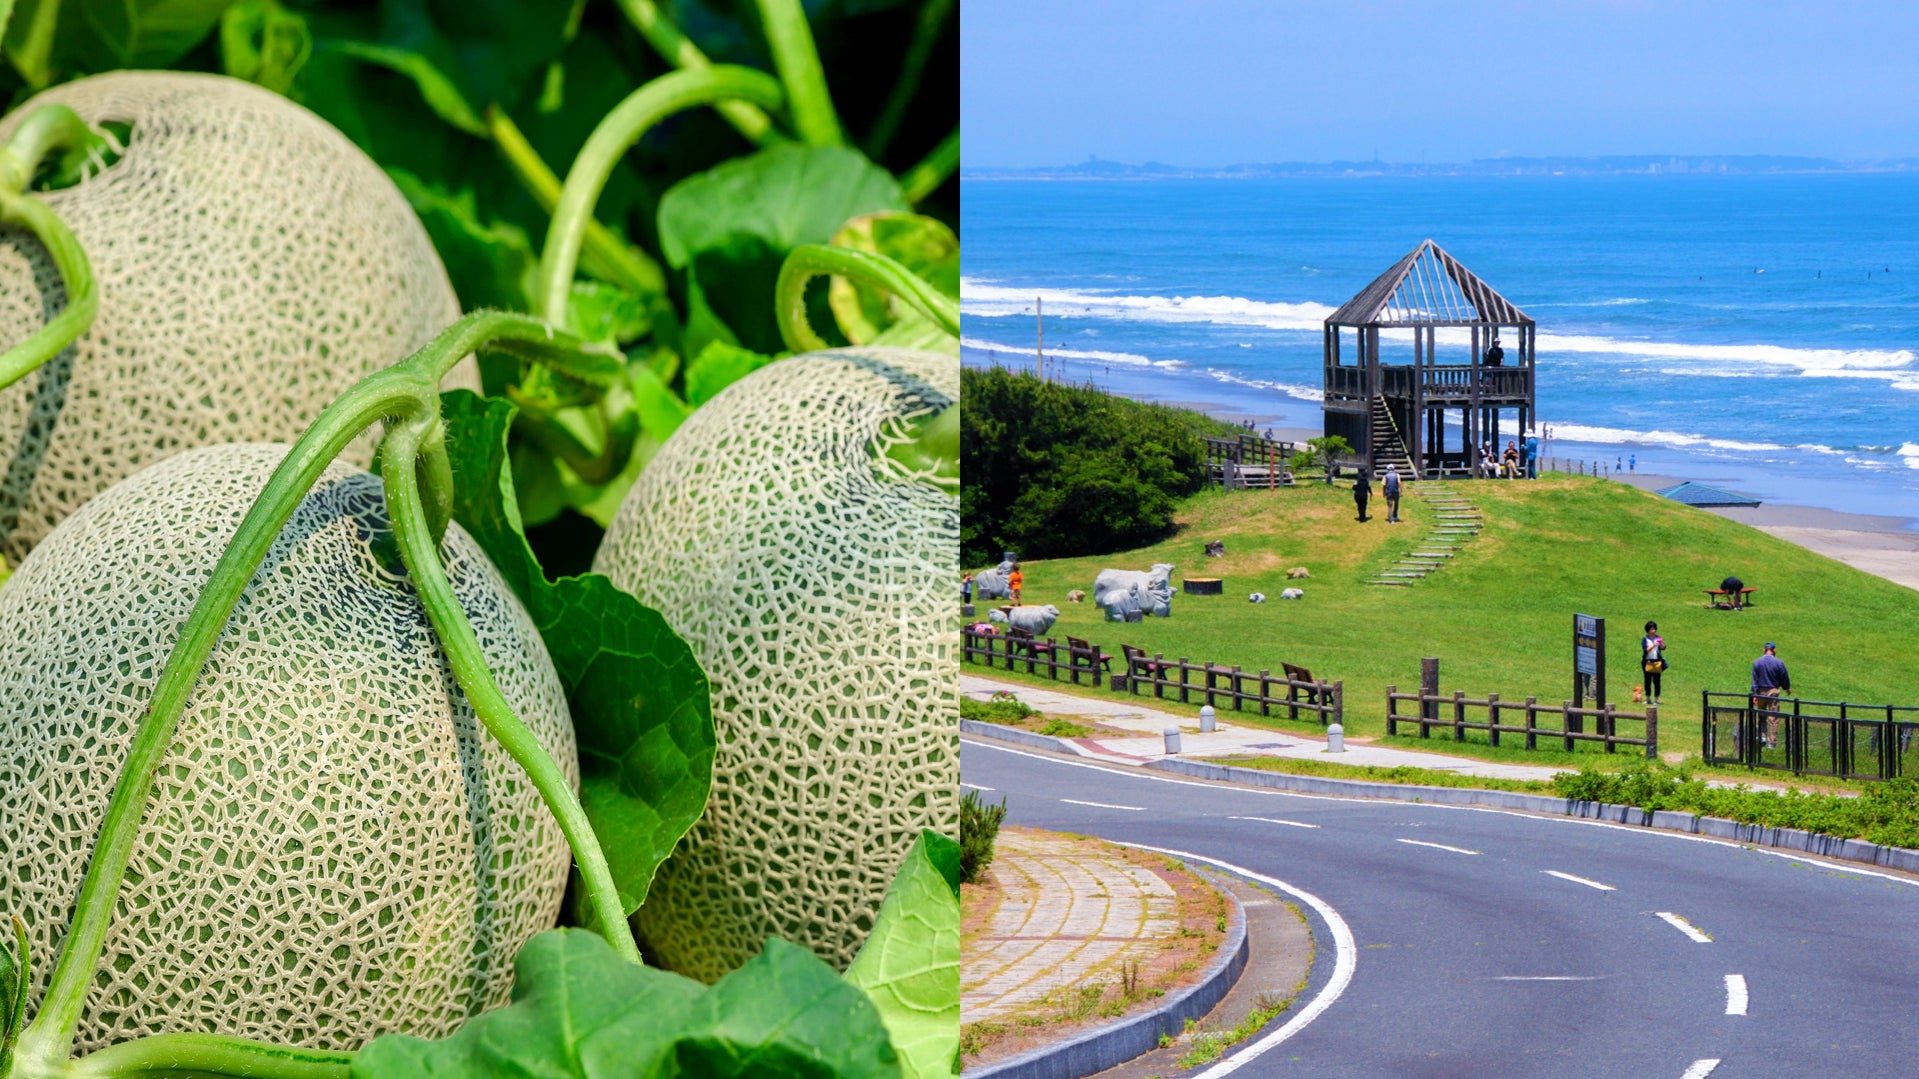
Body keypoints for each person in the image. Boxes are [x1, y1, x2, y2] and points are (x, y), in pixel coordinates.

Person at [1751, 641, 1791, 749]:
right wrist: (1787, 688)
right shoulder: (1779, 663)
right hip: (1773, 692)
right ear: (1774, 650)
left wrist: (1754, 694)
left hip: (1760, 692)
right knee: (1773, 717)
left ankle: (1762, 736)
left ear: (1764, 650)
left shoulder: (1757, 663)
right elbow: (1784, 677)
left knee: (1762, 715)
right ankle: (1771, 742)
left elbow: (1754, 680)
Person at [1640, 621, 1667, 706]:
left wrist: (1661, 643)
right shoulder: (1645, 639)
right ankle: (1648, 698)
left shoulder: (1658, 637)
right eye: (1651, 628)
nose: (1653, 630)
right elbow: (1646, 650)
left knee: (1657, 681)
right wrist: (1654, 645)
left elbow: (1663, 648)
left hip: (1657, 662)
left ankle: (1657, 699)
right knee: (1647, 681)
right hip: (1648, 662)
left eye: (1654, 628)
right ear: (1648, 630)